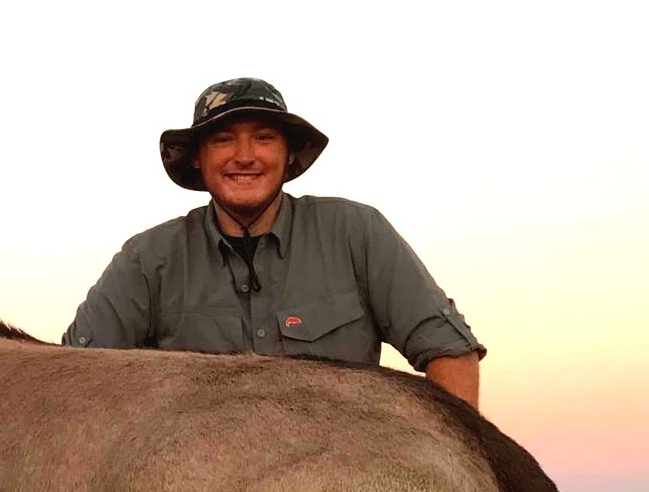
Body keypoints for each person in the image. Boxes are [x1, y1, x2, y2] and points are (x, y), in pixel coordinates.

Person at [62, 77, 484, 406]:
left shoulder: (357, 232)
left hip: (338, 487)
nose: (244, 156)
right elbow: (70, 376)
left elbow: (450, 353)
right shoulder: (147, 259)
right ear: (197, 158)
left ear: (287, 155)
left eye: (263, 138)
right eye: (223, 139)